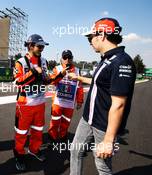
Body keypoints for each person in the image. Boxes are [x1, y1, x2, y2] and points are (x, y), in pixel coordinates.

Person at [68, 18, 136, 175]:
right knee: (75, 151)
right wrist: (79, 78)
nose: (89, 41)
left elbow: (119, 104)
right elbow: (100, 83)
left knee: (102, 165)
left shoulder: (121, 62)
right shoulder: (106, 59)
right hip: (88, 119)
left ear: (102, 35)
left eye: (90, 37)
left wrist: (108, 140)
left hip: (103, 125)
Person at [13, 34, 66, 171]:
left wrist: (59, 75)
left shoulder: (44, 61)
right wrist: (32, 72)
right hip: (24, 105)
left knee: (37, 130)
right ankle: (19, 155)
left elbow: (46, 80)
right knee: (21, 132)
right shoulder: (20, 62)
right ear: (30, 46)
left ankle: (34, 149)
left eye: (43, 46)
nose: (42, 49)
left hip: (40, 103)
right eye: (40, 46)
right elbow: (17, 82)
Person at [48, 50, 84, 144]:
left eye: (69, 58)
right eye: (65, 58)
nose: (67, 60)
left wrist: (80, 101)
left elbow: (79, 88)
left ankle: (63, 135)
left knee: (66, 122)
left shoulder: (77, 71)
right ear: (61, 59)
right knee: (55, 121)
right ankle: (52, 137)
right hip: (58, 102)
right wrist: (61, 74)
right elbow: (51, 81)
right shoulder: (57, 68)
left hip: (69, 104)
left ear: (72, 58)